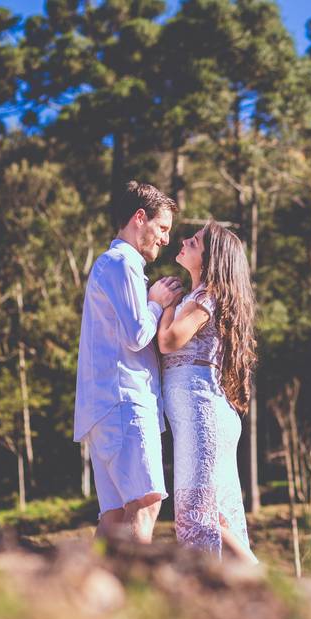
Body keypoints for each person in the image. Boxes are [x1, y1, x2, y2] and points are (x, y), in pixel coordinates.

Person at [73, 181, 184, 543]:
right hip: (125, 400)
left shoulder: (111, 265)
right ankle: (136, 593)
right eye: (163, 228)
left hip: (106, 404)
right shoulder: (123, 262)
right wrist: (157, 300)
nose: (166, 239)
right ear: (140, 218)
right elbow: (137, 335)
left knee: (117, 515)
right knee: (147, 502)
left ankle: (87, 591)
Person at [157, 221, 258, 562]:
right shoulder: (200, 296)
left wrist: (166, 305)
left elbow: (170, 341)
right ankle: (267, 589)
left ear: (211, 259)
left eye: (195, 241)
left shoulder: (204, 297)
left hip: (203, 416)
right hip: (204, 415)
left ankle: (274, 588)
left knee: (197, 516)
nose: (185, 240)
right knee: (213, 516)